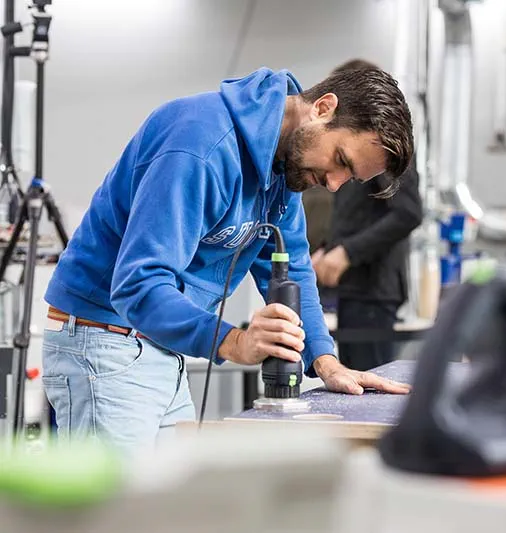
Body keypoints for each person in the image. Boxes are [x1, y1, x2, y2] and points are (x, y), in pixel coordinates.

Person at [41, 65, 414, 453]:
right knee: (119, 512)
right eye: (341, 160)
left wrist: (324, 359)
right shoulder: (201, 144)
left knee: (170, 506)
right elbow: (138, 284)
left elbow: (291, 264)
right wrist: (234, 342)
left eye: (349, 179)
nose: (334, 183)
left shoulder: (285, 164)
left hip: (158, 347)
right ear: (323, 108)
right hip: (104, 341)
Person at [312, 59, 423, 372]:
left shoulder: (378, 144)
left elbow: (408, 213)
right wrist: (327, 250)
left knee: (368, 396)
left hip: (373, 295)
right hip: (355, 292)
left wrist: (347, 253)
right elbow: (355, 215)